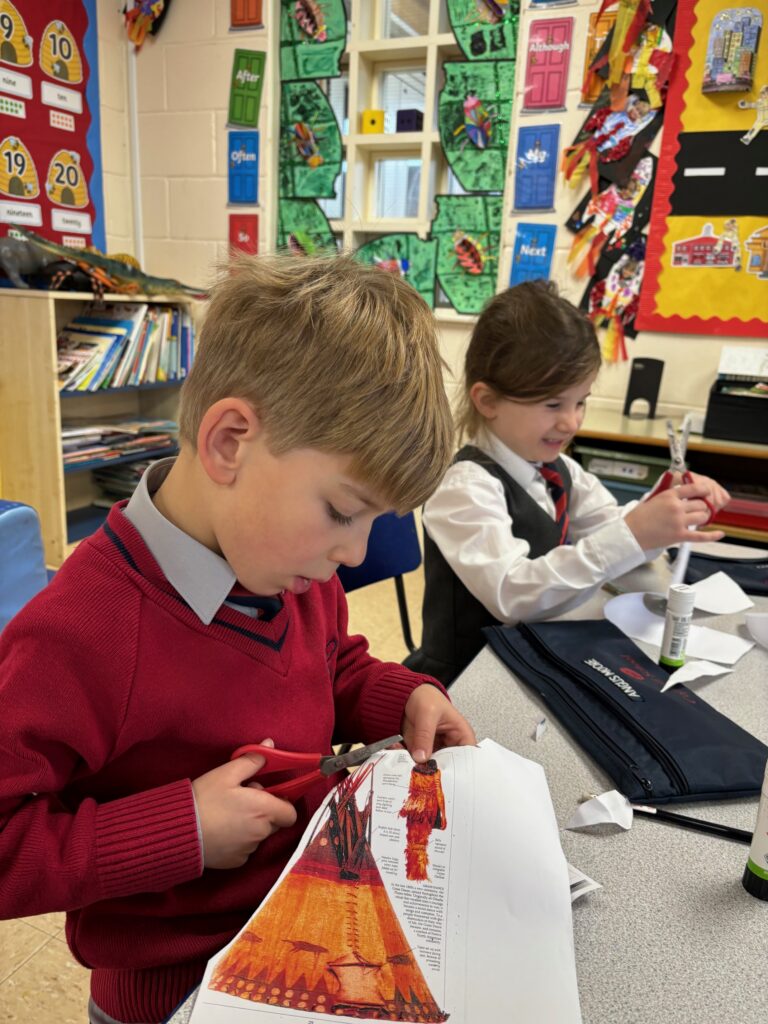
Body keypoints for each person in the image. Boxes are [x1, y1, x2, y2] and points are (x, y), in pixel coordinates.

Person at [0, 252, 476, 1024]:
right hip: (169, 997)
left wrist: (401, 693)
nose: (355, 556)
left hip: (307, 932)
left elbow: (330, 665)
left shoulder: (294, 572)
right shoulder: (78, 634)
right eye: (342, 511)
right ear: (229, 442)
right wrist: (176, 829)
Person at [405, 280, 730, 686]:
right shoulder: (463, 488)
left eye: (581, 401)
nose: (572, 421)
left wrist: (663, 509)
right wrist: (633, 533)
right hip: (465, 679)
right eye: (553, 404)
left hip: (534, 658)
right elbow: (512, 595)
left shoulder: (558, 468)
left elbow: (609, 527)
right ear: (487, 401)